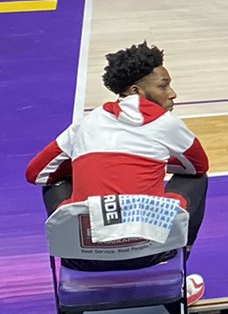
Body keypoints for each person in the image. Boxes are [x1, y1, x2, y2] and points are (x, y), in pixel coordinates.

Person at [25, 42, 209, 248]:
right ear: (135, 90)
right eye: (163, 86)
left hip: (83, 257)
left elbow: (37, 173)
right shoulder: (166, 122)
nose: (172, 93)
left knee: (55, 179)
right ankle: (179, 263)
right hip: (152, 251)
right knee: (197, 178)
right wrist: (152, 163)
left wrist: (85, 166)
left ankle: (72, 247)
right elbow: (198, 167)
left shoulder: (86, 123)